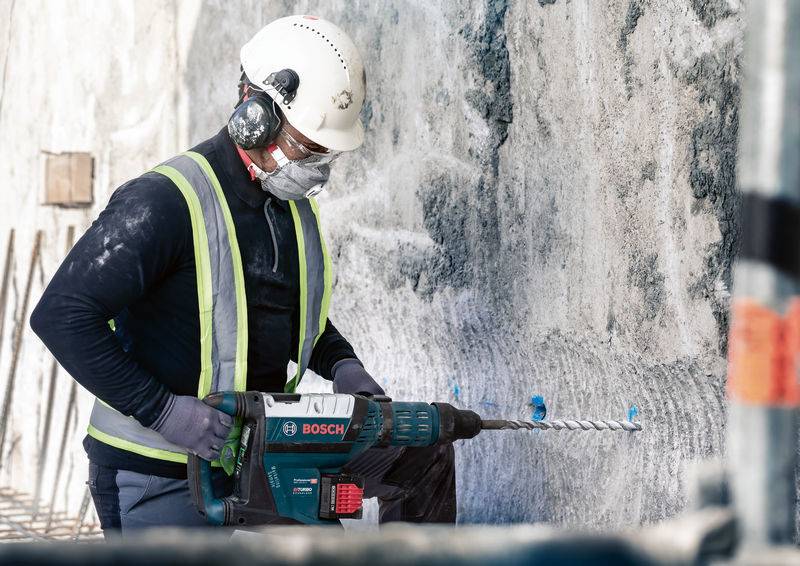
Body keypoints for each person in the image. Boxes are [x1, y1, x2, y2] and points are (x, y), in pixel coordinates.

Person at [30, 15, 455, 535]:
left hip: (257, 462)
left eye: (326, 153)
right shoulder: (164, 201)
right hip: (157, 475)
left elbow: (287, 317)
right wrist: (165, 412)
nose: (317, 166)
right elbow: (62, 316)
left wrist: (343, 365)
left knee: (421, 454)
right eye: (307, 147)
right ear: (255, 114)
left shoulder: (290, 210)